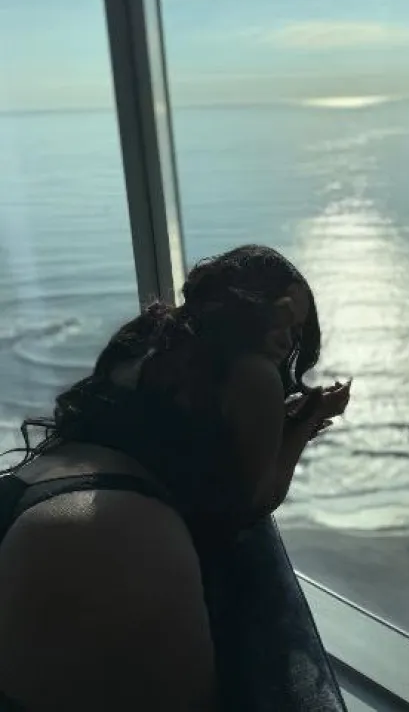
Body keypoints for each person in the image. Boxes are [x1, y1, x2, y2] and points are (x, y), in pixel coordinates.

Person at [0, 245, 351, 711]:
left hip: (35, 490)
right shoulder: (254, 373)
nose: (288, 337)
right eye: (283, 315)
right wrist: (306, 425)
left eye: (297, 328)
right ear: (246, 302)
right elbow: (253, 501)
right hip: (124, 536)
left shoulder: (153, 338)